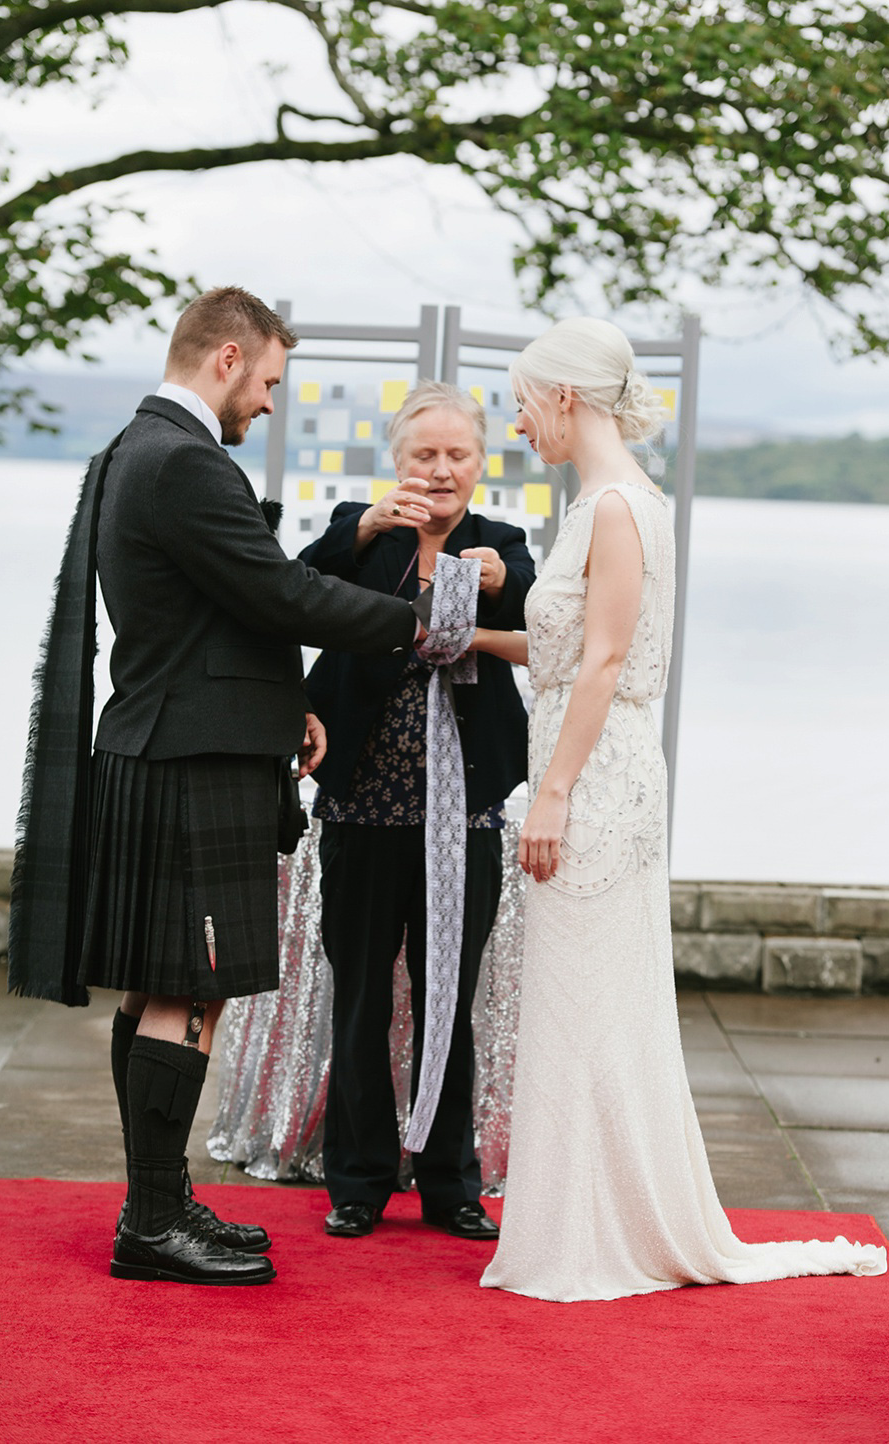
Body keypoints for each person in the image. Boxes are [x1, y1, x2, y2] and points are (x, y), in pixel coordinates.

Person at [8, 287, 426, 1286]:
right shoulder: (184, 461)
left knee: (164, 985)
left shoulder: (136, 450)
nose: (271, 403)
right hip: (193, 760)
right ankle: (152, 1224)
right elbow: (275, 592)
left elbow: (217, 616)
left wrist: (290, 710)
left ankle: (156, 1200)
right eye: (272, 381)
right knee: (190, 990)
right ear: (229, 358)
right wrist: (418, 621)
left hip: (178, 740)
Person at [471, 317, 886, 1300]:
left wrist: (555, 794)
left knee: (586, 999)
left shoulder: (616, 507)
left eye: (526, 403)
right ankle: (584, 1215)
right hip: (587, 764)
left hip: (599, 782)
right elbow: (571, 649)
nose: (521, 422)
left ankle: (593, 1234)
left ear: (565, 398)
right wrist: (472, 641)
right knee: (581, 1000)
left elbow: (608, 664)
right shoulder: (603, 504)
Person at [300, 381, 536, 1240]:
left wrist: (505, 580)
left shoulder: (499, 543)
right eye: (423, 455)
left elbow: (544, 623)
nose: (440, 470)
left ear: (480, 463)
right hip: (363, 802)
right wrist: (363, 526)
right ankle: (358, 1182)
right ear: (395, 462)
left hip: (462, 812)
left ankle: (451, 1184)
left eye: (457, 455)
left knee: (452, 995)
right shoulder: (360, 532)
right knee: (361, 993)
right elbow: (290, 590)